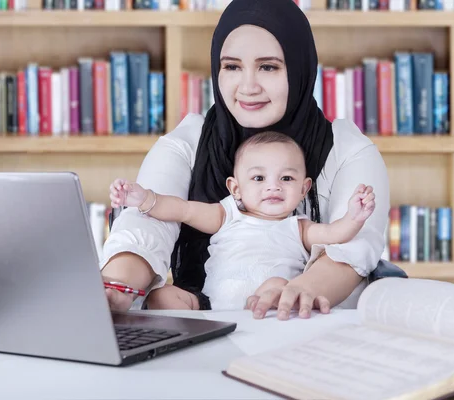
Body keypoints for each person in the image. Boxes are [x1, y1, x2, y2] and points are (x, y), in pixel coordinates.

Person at [100, 0, 390, 320]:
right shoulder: (189, 142)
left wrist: (295, 292)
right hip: (207, 328)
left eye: (268, 66)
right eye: (232, 66)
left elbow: (350, 250)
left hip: (312, 329)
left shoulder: (348, 149)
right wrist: (114, 288)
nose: (248, 87)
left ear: (299, 68)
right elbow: (145, 228)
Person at [108, 131, 377, 310]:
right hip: (210, 306)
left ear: (305, 188)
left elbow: (335, 234)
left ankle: (262, 311)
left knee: (276, 285)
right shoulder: (226, 215)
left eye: (286, 178)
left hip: (267, 305)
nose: (273, 187)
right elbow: (182, 210)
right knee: (162, 296)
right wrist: (144, 198)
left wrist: (355, 216)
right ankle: (184, 340)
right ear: (235, 188)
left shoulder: (299, 227)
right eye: (259, 178)